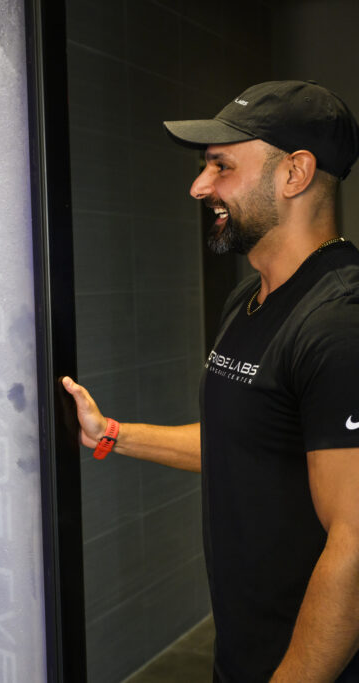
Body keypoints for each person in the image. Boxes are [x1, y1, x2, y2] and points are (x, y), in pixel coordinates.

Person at [63, 80, 359, 682]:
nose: (200, 187)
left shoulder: (340, 322)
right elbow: (245, 443)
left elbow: (355, 546)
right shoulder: (249, 298)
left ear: (295, 173)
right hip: (245, 655)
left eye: (221, 166)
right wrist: (113, 434)